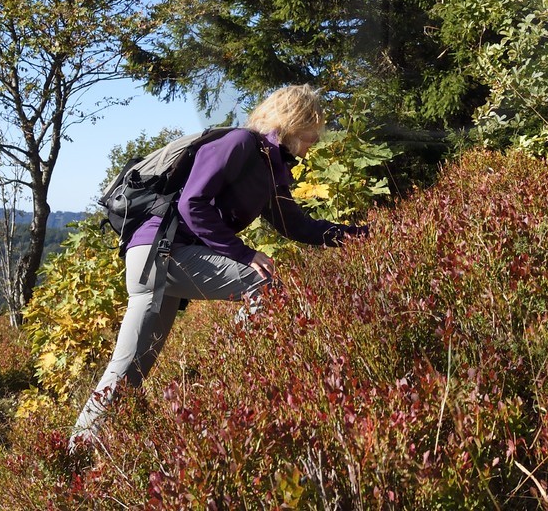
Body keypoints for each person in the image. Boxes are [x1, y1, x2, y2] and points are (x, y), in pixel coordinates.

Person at [71, 84, 367, 443]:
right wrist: (243, 253)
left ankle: (82, 451)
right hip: (160, 252)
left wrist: (361, 235)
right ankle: (229, 372)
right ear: (294, 121)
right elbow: (191, 204)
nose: (315, 141)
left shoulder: (270, 167)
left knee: (132, 368)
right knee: (264, 284)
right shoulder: (240, 144)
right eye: (312, 131)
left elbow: (297, 225)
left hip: (163, 256)